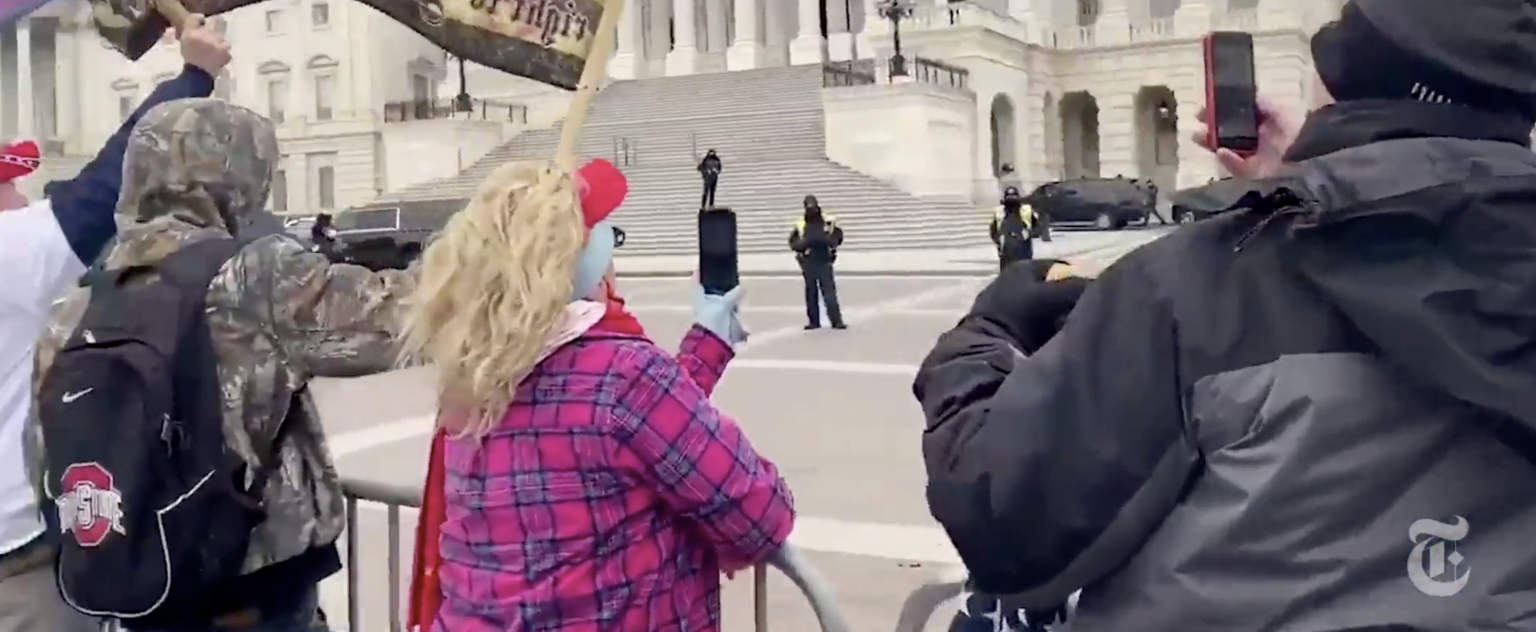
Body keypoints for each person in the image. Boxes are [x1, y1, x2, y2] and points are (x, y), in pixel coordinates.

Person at [915, 0, 1536, 629]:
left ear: (1347, 78)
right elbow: (1429, 237)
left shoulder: (1193, 288)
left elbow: (998, 515)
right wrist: (1322, 185)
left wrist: (984, 338)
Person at [30, 96, 418, 631]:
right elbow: (396, 321)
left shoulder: (78, 303)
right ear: (236, 176)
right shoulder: (249, 274)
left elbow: (43, 453)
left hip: (144, 594)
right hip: (252, 597)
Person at [398, 159, 794, 631]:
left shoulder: (472, 378)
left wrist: (707, 343)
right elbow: (758, 513)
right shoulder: (626, 379)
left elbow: (605, 428)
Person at [0, 17, 224, 632]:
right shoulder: (12, 249)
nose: (20, 195)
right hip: (18, 565)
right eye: (10, 183)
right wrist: (194, 73)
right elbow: (109, 181)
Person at [789, 194, 845, 330]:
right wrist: (803, 244)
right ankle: (814, 321)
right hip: (809, 261)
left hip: (824, 260)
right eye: (809, 206)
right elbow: (793, 241)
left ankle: (836, 321)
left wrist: (830, 242)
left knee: (829, 292)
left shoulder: (827, 221)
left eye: (812, 205)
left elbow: (838, 235)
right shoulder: (801, 223)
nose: (811, 208)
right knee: (811, 293)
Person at [989, 186, 1038, 270]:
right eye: (1009, 197)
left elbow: (1038, 228)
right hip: (1006, 251)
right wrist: (999, 239)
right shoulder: (1000, 212)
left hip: (1023, 250)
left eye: (1013, 197)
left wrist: (1029, 233)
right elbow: (993, 231)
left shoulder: (1026, 210)